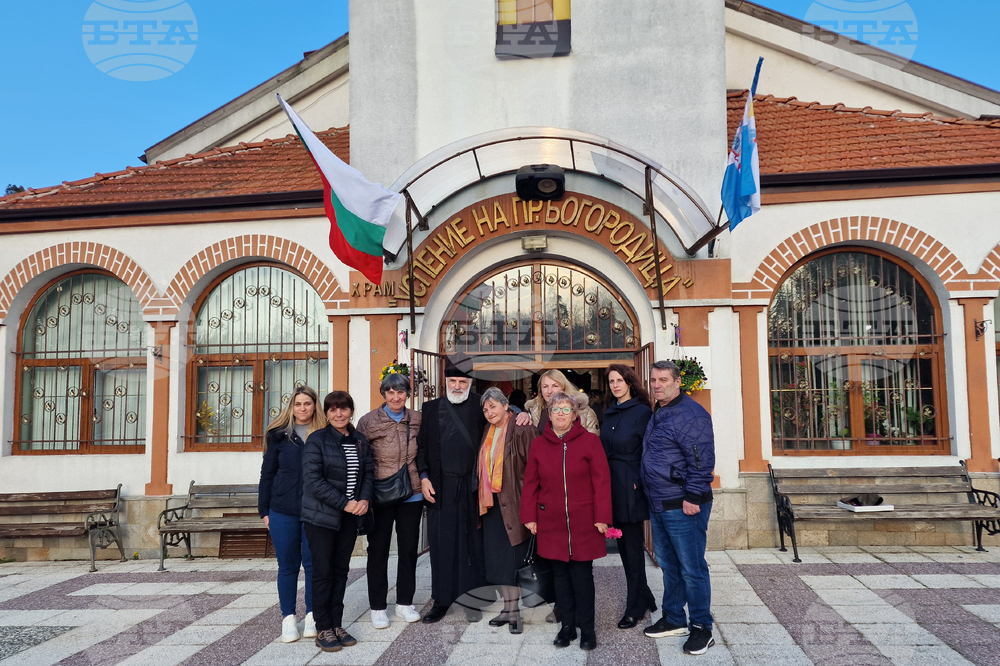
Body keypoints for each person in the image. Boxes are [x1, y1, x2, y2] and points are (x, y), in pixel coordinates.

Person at [416, 352, 531, 623]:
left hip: (473, 488)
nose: (457, 386)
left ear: (470, 383)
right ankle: (441, 601)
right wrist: (423, 477)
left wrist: (520, 412)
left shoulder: (482, 405)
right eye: (453, 380)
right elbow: (420, 448)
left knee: (472, 546)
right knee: (442, 545)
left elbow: (504, 416)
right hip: (440, 488)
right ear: (446, 382)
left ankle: (474, 600)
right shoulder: (430, 408)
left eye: (462, 382)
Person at [521, 391, 612, 651]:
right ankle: (567, 627)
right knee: (560, 575)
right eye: (555, 410)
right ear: (549, 415)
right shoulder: (538, 444)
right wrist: (529, 516)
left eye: (565, 410)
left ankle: (588, 629)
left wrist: (603, 517)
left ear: (575, 415)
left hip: (584, 520)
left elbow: (602, 482)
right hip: (551, 520)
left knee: (582, 575)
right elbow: (530, 484)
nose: (560, 414)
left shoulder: (590, 442)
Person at [641, 360, 716, 656]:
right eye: (653, 380)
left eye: (663, 380)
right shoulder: (662, 410)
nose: (657, 385)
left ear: (677, 382)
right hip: (660, 502)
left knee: (692, 568)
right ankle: (674, 617)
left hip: (683, 504)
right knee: (669, 565)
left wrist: (694, 498)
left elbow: (702, 460)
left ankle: (701, 627)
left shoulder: (690, 414)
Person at [301, 391, 374, 653]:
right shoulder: (317, 440)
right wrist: (346, 503)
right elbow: (313, 481)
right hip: (321, 518)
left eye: (343, 409)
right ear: (327, 413)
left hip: (349, 518)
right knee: (323, 572)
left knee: (341, 572)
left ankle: (336, 624)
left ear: (351, 411)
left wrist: (364, 499)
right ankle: (323, 627)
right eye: (332, 410)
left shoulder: (360, 440)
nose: (338, 414)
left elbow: (367, 473)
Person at [356, 372, 423, 628]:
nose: (396, 397)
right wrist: (364, 495)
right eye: (391, 392)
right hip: (381, 494)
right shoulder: (368, 421)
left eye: (401, 392)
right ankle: (378, 607)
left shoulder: (416, 419)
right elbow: (362, 460)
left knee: (408, 550)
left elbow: (425, 451)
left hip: (411, 492)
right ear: (383, 394)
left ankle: (405, 603)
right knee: (379, 550)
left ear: (408, 394)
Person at [258, 386, 325, 643]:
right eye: (298, 404)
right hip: (282, 510)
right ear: (291, 407)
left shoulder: (322, 434)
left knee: (312, 565)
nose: (303, 408)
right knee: (287, 566)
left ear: (314, 405)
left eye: (307, 403)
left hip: (315, 510)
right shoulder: (278, 436)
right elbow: (267, 475)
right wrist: (264, 510)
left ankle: (312, 616)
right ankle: (288, 618)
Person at [477, 387, 538, 634]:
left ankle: (514, 612)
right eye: (485, 409)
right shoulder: (488, 430)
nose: (489, 412)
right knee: (499, 562)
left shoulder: (523, 429)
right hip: (492, 505)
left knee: (514, 560)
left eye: (493, 406)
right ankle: (507, 608)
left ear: (506, 406)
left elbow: (535, 470)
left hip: (514, 504)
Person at [601, 365, 656, 629]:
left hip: (630, 485)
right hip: (611, 484)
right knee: (622, 548)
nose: (615, 385)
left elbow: (650, 452)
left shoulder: (643, 413)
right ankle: (644, 596)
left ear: (630, 383)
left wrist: (638, 482)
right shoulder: (609, 413)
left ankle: (635, 607)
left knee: (633, 550)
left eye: (619, 380)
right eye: (611, 381)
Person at [526, 369, 599, 435]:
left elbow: (592, 443)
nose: (549, 391)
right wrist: (524, 414)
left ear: (564, 388)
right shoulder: (534, 411)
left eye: (555, 386)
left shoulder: (585, 412)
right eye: (545, 386)